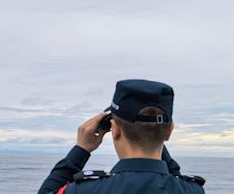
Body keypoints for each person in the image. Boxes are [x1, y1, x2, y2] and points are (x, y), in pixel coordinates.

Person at [38, 79, 205, 194]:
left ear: (115, 129)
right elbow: (174, 176)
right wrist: (154, 132)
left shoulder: (84, 190)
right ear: (169, 132)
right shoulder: (193, 190)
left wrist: (81, 149)